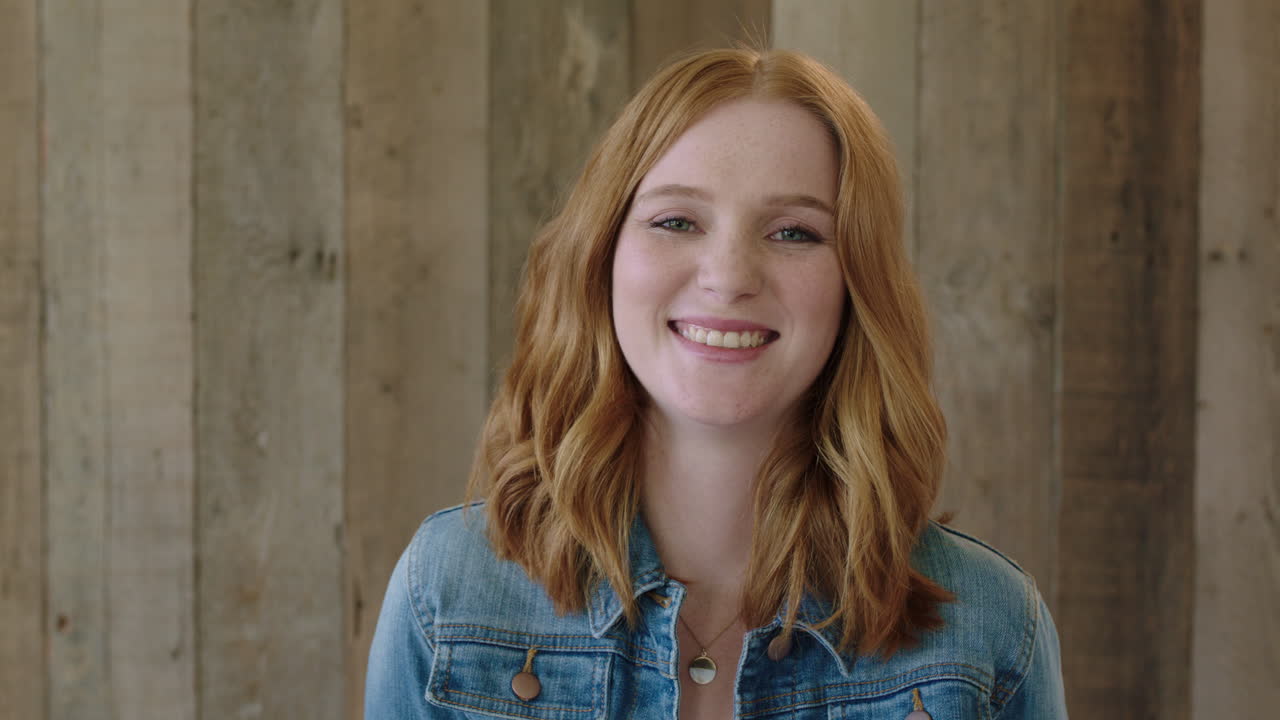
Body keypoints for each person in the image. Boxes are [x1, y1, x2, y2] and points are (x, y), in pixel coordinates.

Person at [364, 47, 1068, 719]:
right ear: (600, 257)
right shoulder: (448, 594)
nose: (729, 277)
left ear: (858, 285)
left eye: (793, 232)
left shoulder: (993, 632)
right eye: (676, 221)